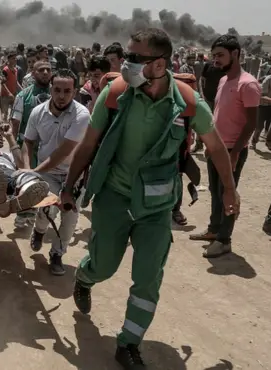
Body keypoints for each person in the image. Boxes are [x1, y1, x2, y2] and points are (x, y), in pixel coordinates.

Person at [60, 28, 240, 369]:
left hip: (156, 206)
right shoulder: (115, 93)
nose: (125, 64)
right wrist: (69, 188)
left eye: (134, 58)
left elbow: (216, 147)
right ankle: (85, 278)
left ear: (158, 65)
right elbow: (88, 143)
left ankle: (128, 343)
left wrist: (230, 190)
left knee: (148, 277)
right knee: (104, 265)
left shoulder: (187, 102)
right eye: (126, 56)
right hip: (115, 196)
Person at [190, 35, 260, 258]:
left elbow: (252, 123)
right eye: (214, 56)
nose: (215, 60)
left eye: (220, 55)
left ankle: (224, 239)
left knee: (228, 192)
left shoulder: (248, 84)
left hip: (232, 150)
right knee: (215, 191)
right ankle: (213, 230)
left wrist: (236, 153)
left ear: (236, 54)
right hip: (216, 148)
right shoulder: (223, 80)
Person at [24, 69, 90, 276]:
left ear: (75, 91)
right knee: (46, 210)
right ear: (51, 89)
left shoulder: (82, 115)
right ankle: (39, 230)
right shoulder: (38, 113)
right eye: (57, 90)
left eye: (67, 91)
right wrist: (26, 170)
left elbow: (63, 153)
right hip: (47, 174)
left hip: (74, 174)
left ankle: (57, 254)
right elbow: (28, 141)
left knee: (69, 217)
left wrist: (31, 172)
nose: (62, 96)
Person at [10, 60, 52, 228]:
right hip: (28, 146)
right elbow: (14, 122)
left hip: (50, 148)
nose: (45, 72)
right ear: (33, 74)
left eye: (48, 70)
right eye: (41, 70)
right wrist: (13, 145)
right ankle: (22, 214)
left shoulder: (57, 94)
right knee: (25, 182)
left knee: (46, 183)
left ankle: (39, 217)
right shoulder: (23, 96)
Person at [0, 124, 49, 218]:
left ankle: (25, 193)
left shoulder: (7, 154)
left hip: (10, 172)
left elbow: (21, 166)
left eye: (0, 132)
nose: (0, 134)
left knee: (26, 176)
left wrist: (10, 137)